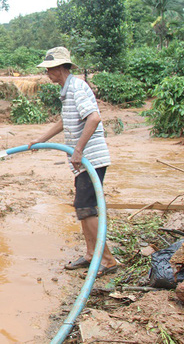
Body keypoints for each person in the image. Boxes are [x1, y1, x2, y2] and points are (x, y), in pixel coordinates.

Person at [28, 47, 118, 276]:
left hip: (91, 159)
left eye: (49, 69)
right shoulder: (68, 90)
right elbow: (65, 121)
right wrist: (40, 140)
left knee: (86, 208)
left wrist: (78, 151)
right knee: (83, 207)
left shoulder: (77, 88)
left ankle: (107, 260)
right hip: (83, 161)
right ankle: (90, 255)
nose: (47, 74)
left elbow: (94, 118)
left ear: (59, 68)